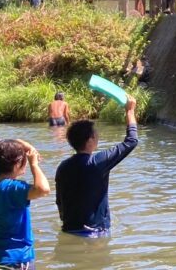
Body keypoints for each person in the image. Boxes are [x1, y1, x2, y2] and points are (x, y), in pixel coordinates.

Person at [55, 96, 138, 237]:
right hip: (95, 233)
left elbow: (59, 201)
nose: (98, 136)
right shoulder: (97, 162)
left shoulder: (63, 166)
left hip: (69, 229)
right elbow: (131, 141)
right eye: (96, 134)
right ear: (90, 140)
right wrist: (130, 111)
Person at [0, 139, 50, 270]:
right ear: (18, 163)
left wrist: (29, 148)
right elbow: (43, 189)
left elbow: (4, 148)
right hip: (17, 261)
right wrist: (34, 165)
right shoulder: (12, 189)